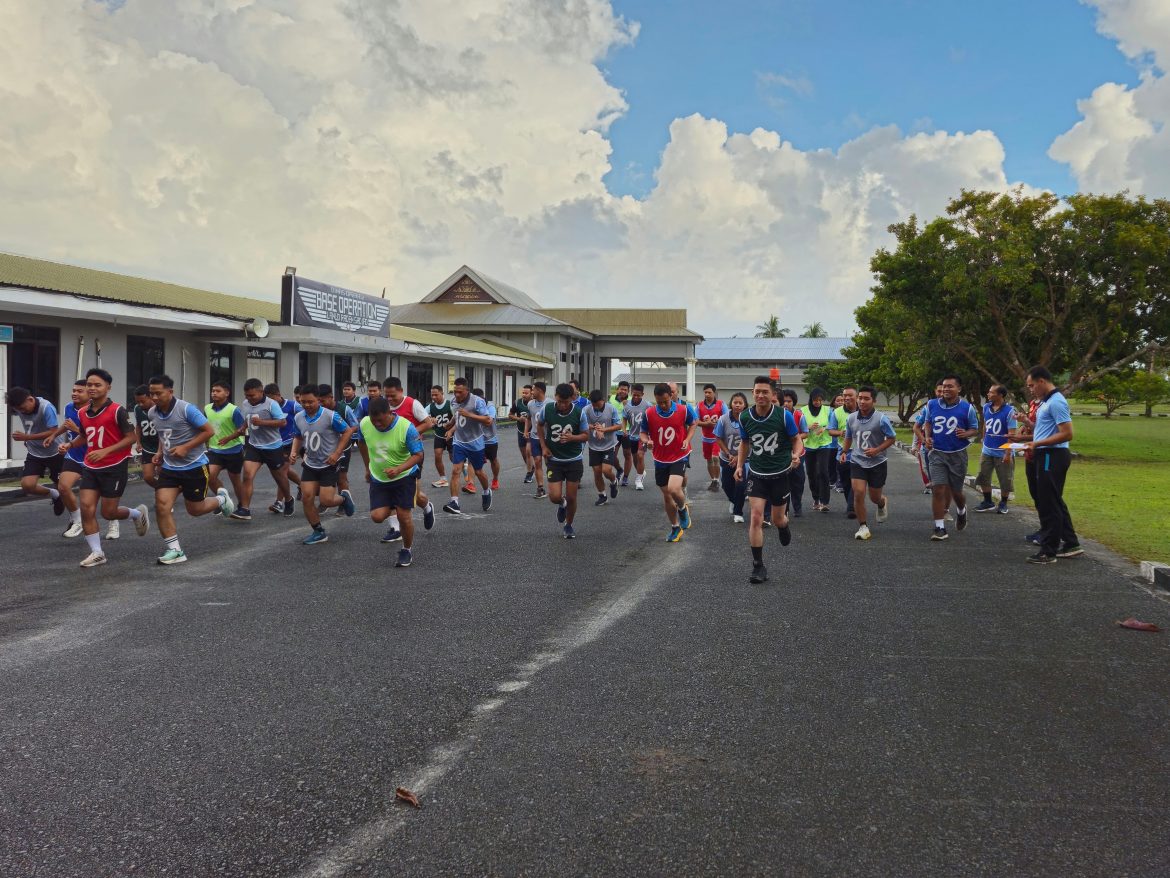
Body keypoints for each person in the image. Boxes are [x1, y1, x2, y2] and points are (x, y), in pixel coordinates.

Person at [67, 368, 150, 567]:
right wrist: (70, 445)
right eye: (89, 385)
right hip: (91, 465)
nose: (92, 388)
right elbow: (86, 436)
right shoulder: (82, 412)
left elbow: (131, 437)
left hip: (114, 466)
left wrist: (106, 451)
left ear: (108, 387)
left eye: (97, 385)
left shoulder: (118, 411)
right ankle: (97, 552)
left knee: (109, 513)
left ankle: (137, 514)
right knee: (87, 508)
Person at [148, 374, 233, 564]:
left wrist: (186, 447)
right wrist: (160, 452)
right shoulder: (152, 412)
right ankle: (175, 550)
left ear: (170, 392)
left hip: (194, 465)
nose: (154, 398)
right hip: (170, 467)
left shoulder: (186, 409)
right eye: (151, 394)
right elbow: (163, 435)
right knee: (162, 505)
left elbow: (209, 431)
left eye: (158, 393)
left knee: (195, 509)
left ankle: (220, 499)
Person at [735, 377, 802, 583]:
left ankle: (783, 526)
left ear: (773, 395)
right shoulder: (745, 417)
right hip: (757, 472)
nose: (761, 395)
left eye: (765, 392)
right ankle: (758, 566)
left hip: (780, 473)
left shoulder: (784, 416)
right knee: (756, 517)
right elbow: (745, 443)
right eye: (757, 391)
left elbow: (796, 439)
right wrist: (739, 465)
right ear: (752, 393)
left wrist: (796, 454)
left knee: (777, 518)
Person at [357, 397, 425, 567]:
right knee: (377, 517)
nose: (377, 424)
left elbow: (418, 455)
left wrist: (399, 469)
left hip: (404, 476)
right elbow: (362, 442)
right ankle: (397, 504)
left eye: (380, 420)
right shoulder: (365, 423)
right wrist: (367, 467)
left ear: (390, 413)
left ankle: (406, 550)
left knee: (404, 516)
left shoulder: (406, 428)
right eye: (374, 421)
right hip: (379, 477)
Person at [1024, 366, 1081, 563]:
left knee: (1048, 503)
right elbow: (1046, 430)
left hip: (1052, 455)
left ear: (1042, 381)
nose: (1031, 390)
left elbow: (1067, 433)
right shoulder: (1046, 402)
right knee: (1053, 500)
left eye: (1032, 385)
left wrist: (1037, 443)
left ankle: (1048, 550)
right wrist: (1027, 439)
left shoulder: (1056, 402)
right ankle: (1071, 543)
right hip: (1045, 453)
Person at [289, 385, 358, 545]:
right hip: (310, 464)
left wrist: (336, 453)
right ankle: (318, 531)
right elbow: (298, 436)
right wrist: (294, 452)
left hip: (329, 464)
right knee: (307, 498)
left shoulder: (331, 416)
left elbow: (347, 431)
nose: (306, 405)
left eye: (310, 402)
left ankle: (343, 498)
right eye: (303, 402)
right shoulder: (299, 417)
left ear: (318, 401)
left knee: (326, 501)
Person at [914, 374, 980, 541]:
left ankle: (961, 510)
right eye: (943, 386)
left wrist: (966, 433)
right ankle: (939, 528)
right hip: (937, 453)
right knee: (938, 489)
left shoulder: (967, 408)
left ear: (959, 389)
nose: (945, 389)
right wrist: (927, 437)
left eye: (950, 386)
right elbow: (927, 422)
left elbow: (974, 429)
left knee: (956, 492)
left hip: (958, 454)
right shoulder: (932, 404)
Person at [222, 378, 293, 522]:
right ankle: (245, 509)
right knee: (247, 475)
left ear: (261, 392)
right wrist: (231, 436)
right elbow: (245, 423)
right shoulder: (245, 404)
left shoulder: (271, 404)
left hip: (273, 446)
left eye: (252, 395)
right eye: (247, 395)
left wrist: (262, 422)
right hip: (254, 446)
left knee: (280, 478)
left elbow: (282, 422)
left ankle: (289, 499)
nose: (249, 398)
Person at [380, 377, 437, 542]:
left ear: (401, 391)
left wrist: (407, 435)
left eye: (392, 396)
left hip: (412, 453)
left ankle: (427, 506)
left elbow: (427, 423)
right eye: (387, 396)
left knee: (413, 494)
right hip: (389, 454)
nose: (389, 400)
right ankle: (395, 528)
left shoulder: (413, 404)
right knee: (390, 489)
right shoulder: (383, 405)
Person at [641, 382, 699, 542]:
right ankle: (675, 527)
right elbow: (643, 433)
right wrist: (647, 441)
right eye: (659, 402)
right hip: (660, 458)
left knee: (674, 489)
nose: (663, 405)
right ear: (655, 399)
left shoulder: (683, 409)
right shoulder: (649, 413)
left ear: (671, 396)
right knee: (667, 496)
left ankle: (682, 508)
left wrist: (687, 439)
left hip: (679, 455)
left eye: (666, 401)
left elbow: (693, 424)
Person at [839, 386, 896, 541]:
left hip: (877, 462)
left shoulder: (881, 418)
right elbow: (849, 437)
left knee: (874, 497)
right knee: (858, 492)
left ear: (874, 401)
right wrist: (844, 452)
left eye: (866, 398)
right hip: (857, 460)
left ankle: (882, 502)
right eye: (860, 398)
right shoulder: (851, 418)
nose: (862, 401)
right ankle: (863, 526)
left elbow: (892, 438)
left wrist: (877, 450)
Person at [538, 382, 590, 539]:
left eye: (565, 402)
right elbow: (540, 426)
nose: (562, 405)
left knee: (572, 496)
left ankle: (569, 525)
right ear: (555, 397)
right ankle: (562, 503)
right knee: (554, 496)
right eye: (559, 401)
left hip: (574, 459)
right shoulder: (547, 409)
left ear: (572, 399)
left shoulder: (579, 413)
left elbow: (586, 435)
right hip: (554, 459)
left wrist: (572, 437)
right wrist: (543, 447)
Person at [6, 385, 65, 516]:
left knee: (63, 487)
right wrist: (28, 439)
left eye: (22, 408)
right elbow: (30, 426)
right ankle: (54, 494)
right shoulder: (22, 408)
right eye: (17, 409)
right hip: (35, 452)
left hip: (55, 451)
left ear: (30, 399)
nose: (21, 411)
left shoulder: (46, 407)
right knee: (27, 485)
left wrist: (27, 437)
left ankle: (75, 520)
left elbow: (53, 431)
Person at [442, 378, 493, 514]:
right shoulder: (453, 401)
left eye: (460, 392)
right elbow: (457, 415)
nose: (457, 395)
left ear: (467, 390)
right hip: (459, 441)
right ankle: (454, 502)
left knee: (478, 472)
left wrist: (470, 414)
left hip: (475, 443)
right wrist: (451, 424)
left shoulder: (477, 401)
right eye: (455, 391)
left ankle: (487, 491)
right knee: (455, 470)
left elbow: (488, 420)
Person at [45, 380, 88, 537]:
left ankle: (113, 522)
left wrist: (75, 429)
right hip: (74, 454)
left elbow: (93, 435)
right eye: (73, 390)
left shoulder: (93, 410)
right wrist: (54, 435)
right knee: (63, 487)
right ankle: (77, 521)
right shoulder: (69, 407)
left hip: (94, 456)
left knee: (105, 495)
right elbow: (67, 424)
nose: (74, 393)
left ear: (89, 394)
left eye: (79, 391)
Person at [975, 384, 1018, 514]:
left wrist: (1008, 452)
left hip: (1003, 450)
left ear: (1000, 395)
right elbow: (985, 426)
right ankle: (987, 501)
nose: (988, 394)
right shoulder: (986, 407)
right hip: (987, 448)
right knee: (983, 475)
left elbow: (1012, 433)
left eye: (991, 392)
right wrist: (983, 440)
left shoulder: (1010, 411)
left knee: (1005, 478)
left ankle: (1003, 503)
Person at [205, 380, 245, 504]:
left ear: (227, 393)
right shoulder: (207, 408)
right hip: (215, 450)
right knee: (210, 478)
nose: (214, 393)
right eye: (213, 391)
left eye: (218, 391)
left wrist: (229, 438)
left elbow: (243, 430)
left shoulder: (234, 410)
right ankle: (223, 499)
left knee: (236, 481)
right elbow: (205, 427)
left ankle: (243, 506)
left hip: (233, 450)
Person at [266, 383, 302, 514]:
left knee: (282, 471)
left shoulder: (293, 405)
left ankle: (279, 502)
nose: (269, 401)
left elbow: (305, 417)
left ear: (278, 395)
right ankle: (302, 485)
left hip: (290, 443)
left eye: (271, 398)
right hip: (275, 443)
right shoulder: (268, 407)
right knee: (283, 471)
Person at [800, 387, 837, 512]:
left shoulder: (828, 410)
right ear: (811, 399)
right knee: (811, 473)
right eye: (815, 400)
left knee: (823, 472)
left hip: (824, 444)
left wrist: (825, 428)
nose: (818, 402)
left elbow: (832, 424)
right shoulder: (803, 410)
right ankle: (816, 498)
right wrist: (808, 427)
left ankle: (824, 502)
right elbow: (799, 426)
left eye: (820, 400)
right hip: (809, 445)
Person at [714, 391, 748, 523]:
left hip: (744, 458)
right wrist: (728, 454)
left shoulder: (748, 418)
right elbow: (718, 437)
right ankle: (734, 501)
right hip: (726, 457)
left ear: (745, 405)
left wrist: (738, 457)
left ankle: (738, 512)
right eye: (735, 402)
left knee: (740, 484)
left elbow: (749, 440)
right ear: (731, 404)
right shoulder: (723, 419)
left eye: (740, 403)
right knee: (727, 485)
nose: (737, 405)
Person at [584, 389, 621, 506]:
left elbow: (619, 425)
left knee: (606, 470)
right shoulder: (587, 410)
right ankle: (602, 495)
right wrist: (595, 427)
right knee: (597, 472)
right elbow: (582, 423)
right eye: (593, 404)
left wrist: (604, 429)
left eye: (598, 404)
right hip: (594, 446)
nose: (596, 407)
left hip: (608, 445)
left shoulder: (611, 409)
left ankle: (614, 481)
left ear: (603, 400)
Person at [829, 386, 858, 518]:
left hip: (860, 453)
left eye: (849, 395)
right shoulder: (837, 412)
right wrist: (841, 432)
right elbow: (831, 431)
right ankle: (850, 504)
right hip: (843, 453)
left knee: (856, 481)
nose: (846, 398)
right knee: (846, 483)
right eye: (844, 395)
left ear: (856, 397)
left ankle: (852, 507)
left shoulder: (863, 410)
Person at [780, 389, 808, 517]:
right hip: (783, 454)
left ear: (794, 402)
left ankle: (798, 507)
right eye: (784, 401)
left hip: (798, 453)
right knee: (784, 481)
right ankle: (784, 509)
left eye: (789, 401)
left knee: (798, 481)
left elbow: (805, 433)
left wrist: (795, 437)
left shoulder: (799, 415)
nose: (786, 403)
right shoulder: (778, 414)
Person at [697, 384, 726, 492]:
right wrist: (706, 424)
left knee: (715, 457)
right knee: (709, 460)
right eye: (705, 392)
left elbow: (726, 418)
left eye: (709, 392)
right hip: (706, 438)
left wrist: (716, 424)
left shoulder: (721, 404)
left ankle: (717, 480)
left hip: (717, 438)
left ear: (714, 393)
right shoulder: (699, 405)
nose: (707, 394)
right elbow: (696, 421)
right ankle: (714, 480)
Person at [621, 383, 650, 490]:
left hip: (643, 436)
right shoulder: (627, 405)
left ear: (642, 394)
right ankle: (641, 472)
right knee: (635, 458)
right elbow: (624, 418)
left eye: (639, 395)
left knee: (640, 455)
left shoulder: (647, 405)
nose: (636, 397)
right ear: (631, 393)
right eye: (634, 395)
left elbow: (653, 417)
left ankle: (638, 480)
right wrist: (624, 429)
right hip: (632, 436)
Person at [474, 387, 503, 490]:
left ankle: (495, 479)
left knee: (493, 460)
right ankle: (470, 484)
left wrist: (473, 416)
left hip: (490, 439)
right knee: (471, 462)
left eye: (480, 399)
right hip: (477, 439)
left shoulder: (490, 407)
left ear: (483, 397)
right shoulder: (472, 407)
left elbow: (489, 421)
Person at [524, 381, 549, 499]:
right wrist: (525, 430)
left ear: (540, 390)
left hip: (548, 438)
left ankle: (556, 485)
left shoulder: (550, 403)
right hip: (534, 437)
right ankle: (540, 488)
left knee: (550, 463)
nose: (531, 392)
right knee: (537, 461)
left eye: (533, 390)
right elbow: (529, 418)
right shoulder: (530, 404)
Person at [426, 385, 453, 488]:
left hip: (451, 435)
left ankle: (464, 469)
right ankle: (443, 479)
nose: (433, 397)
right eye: (432, 395)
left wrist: (451, 430)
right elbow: (422, 415)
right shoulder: (430, 407)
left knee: (453, 457)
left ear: (442, 393)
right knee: (437, 455)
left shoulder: (449, 404)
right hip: (439, 434)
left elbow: (457, 418)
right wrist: (430, 418)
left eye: (436, 395)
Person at [510, 384, 535, 483]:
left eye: (526, 393)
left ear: (531, 393)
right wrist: (519, 418)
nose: (524, 395)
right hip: (520, 431)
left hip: (532, 432)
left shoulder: (534, 403)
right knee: (525, 454)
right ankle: (531, 468)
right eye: (523, 393)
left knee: (529, 452)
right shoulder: (517, 403)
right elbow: (510, 415)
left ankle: (529, 473)